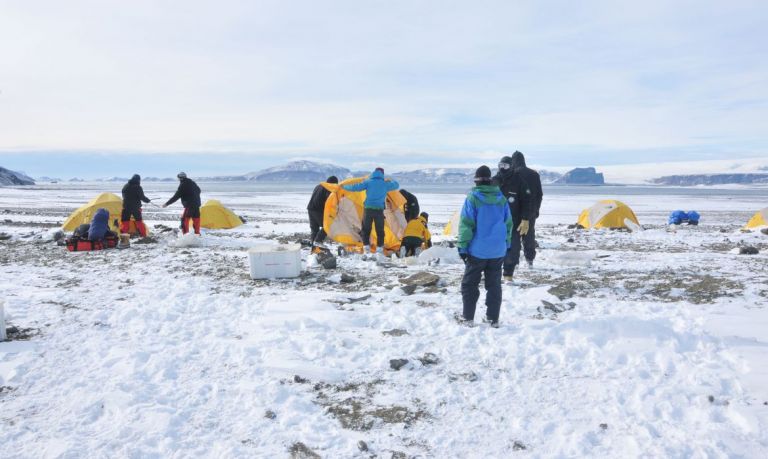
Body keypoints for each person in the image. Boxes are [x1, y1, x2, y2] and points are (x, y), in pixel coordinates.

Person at [456, 166, 513, 328]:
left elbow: (466, 225)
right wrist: (507, 244)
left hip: (478, 251)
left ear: (476, 180)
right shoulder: (501, 198)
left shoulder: (473, 198)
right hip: (497, 250)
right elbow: (508, 224)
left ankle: (467, 318)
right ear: (490, 180)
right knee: (494, 285)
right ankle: (492, 319)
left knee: (469, 284)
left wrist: (462, 247)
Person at [492, 152, 534, 281]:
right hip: (496, 220)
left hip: (514, 221)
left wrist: (525, 219)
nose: (502, 168)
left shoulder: (519, 181)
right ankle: (494, 272)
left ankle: (508, 274)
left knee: (513, 248)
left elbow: (527, 201)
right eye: (500, 165)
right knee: (495, 247)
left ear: (511, 166)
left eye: (505, 165)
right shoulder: (494, 181)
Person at [341, 167, 399, 254]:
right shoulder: (384, 184)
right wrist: (389, 180)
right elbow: (396, 184)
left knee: (366, 229)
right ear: (382, 174)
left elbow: (356, 187)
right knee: (380, 230)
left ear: (374, 173)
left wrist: (344, 187)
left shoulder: (368, 182)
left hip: (368, 209)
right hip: (379, 210)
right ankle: (379, 249)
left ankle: (366, 249)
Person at [307, 176, 338, 244]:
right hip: (318, 210)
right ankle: (318, 242)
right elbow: (329, 201)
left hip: (310, 208)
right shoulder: (329, 188)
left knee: (314, 229)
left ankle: (314, 246)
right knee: (327, 226)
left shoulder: (319, 186)